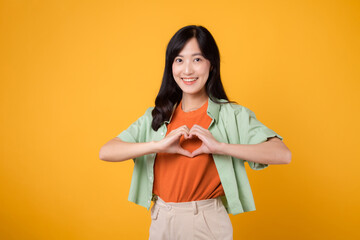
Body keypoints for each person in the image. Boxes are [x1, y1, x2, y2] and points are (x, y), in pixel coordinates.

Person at [99, 25, 291, 240]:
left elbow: (282, 154)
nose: (187, 70)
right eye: (179, 60)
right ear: (170, 66)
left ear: (212, 64)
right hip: (161, 218)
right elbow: (106, 151)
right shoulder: (157, 116)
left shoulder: (232, 115)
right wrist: (158, 145)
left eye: (197, 59)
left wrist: (220, 147)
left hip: (206, 221)